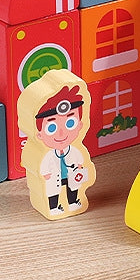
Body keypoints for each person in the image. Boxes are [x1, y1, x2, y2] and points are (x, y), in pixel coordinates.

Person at [34, 85, 90, 216]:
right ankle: (53, 208)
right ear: (40, 134)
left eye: (70, 123)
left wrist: (79, 166)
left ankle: (73, 203)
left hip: (70, 174)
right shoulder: (48, 155)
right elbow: (44, 165)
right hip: (54, 176)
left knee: (73, 188)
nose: (61, 133)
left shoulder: (73, 150)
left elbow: (79, 159)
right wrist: (46, 174)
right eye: (51, 128)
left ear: (79, 125)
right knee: (53, 192)